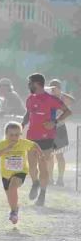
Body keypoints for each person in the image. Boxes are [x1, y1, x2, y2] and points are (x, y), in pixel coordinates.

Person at [23, 73, 71, 207]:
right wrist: (21, 124)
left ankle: (42, 194)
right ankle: (35, 183)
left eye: (30, 83)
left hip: (46, 138)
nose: (28, 86)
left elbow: (68, 111)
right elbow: (28, 113)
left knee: (43, 166)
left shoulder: (51, 99)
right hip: (31, 137)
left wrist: (54, 122)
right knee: (32, 167)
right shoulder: (30, 99)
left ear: (37, 84)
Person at [0, 121, 41, 226]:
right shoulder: (2, 144)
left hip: (20, 171)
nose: (14, 137)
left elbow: (34, 145)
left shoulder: (23, 143)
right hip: (6, 174)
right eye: (11, 135)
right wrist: (6, 149)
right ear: (6, 135)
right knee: (10, 197)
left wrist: (39, 153)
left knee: (13, 186)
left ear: (20, 134)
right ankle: (14, 209)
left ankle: (14, 212)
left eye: (17, 135)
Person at [49, 79, 74, 186]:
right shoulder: (48, 98)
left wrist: (59, 94)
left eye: (55, 87)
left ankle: (60, 178)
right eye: (52, 88)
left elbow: (72, 100)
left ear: (59, 88)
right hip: (49, 129)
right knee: (49, 155)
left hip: (60, 129)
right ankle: (50, 178)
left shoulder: (64, 98)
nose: (53, 90)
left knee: (59, 155)